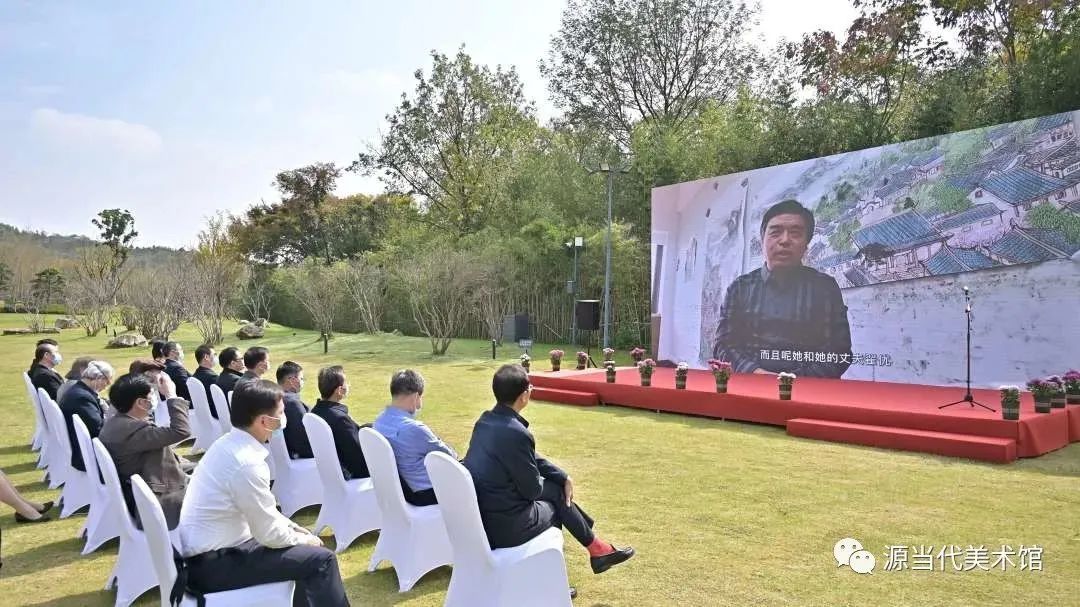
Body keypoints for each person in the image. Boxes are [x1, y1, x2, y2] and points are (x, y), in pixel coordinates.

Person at [178, 380, 350, 606]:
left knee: (302, 547)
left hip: (213, 552)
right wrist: (304, 539)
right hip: (215, 565)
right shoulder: (246, 464)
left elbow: (265, 514)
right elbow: (269, 534)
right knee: (322, 559)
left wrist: (295, 529)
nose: (284, 418)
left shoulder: (226, 445)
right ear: (264, 421)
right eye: (281, 413)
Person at [464, 364, 634, 575]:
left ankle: (596, 548)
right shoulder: (516, 433)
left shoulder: (486, 421)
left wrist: (563, 477)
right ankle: (561, 578)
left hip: (486, 512)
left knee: (556, 488)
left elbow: (529, 458)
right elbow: (532, 491)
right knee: (555, 502)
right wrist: (556, 484)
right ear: (523, 396)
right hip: (504, 525)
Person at [713, 199, 852, 378]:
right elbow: (724, 345)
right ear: (762, 240)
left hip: (808, 393)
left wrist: (792, 381)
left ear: (806, 244)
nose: (785, 240)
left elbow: (839, 352)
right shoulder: (739, 288)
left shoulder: (825, 288)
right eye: (775, 232)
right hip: (750, 387)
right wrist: (755, 372)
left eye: (795, 233)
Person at [99, 372, 191, 529]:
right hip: (162, 497)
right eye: (151, 395)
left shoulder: (116, 423)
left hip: (150, 483)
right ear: (141, 403)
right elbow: (181, 431)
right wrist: (171, 395)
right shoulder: (134, 431)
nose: (154, 398)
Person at [373, 370, 456, 506]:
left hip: (400, 490)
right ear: (416, 396)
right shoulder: (414, 428)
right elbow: (449, 456)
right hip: (425, 492)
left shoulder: (379, 422)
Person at [310, 366, 371, 480]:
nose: (348, 386)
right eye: (346, 383)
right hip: (352, 476)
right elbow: (359, 460)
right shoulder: (341, 420)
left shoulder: (315, 412)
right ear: (339, 390)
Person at [59, 361, 114, 472]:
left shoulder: (79, 390)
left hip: (82, 447)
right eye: (107, 382)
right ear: (99, 378)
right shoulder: (81, 398)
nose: (106, 386)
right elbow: (98, 428)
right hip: (86, 454)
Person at [277, 361, 312, 459]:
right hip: (296, 456)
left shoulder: (272, 397)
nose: (303, 382)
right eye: (301, 378)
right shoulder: (292, 404)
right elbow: (304, 443)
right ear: (292, 380)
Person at [192, 344, 220, 418]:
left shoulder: (195, 376)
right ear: (206, 357)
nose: (216, 357)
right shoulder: (213, 378)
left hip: (203, 416)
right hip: (215, 415)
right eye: (215, 355)